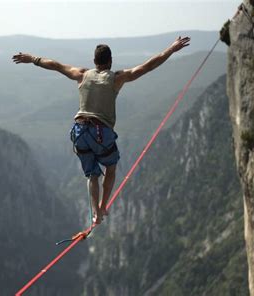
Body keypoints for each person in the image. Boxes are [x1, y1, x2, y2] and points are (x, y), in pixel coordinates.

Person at [12, 36, 190, 224]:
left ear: (94, 62)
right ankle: (102, 208)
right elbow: (147, 67)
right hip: (100, 132)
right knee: (111, 169)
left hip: (79, 131)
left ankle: (95, 210)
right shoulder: (116, 78)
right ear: (110, 62)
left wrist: (32, 59)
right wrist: (171, 49)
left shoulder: (81, 74)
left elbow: (56, 65)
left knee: (92, 175)